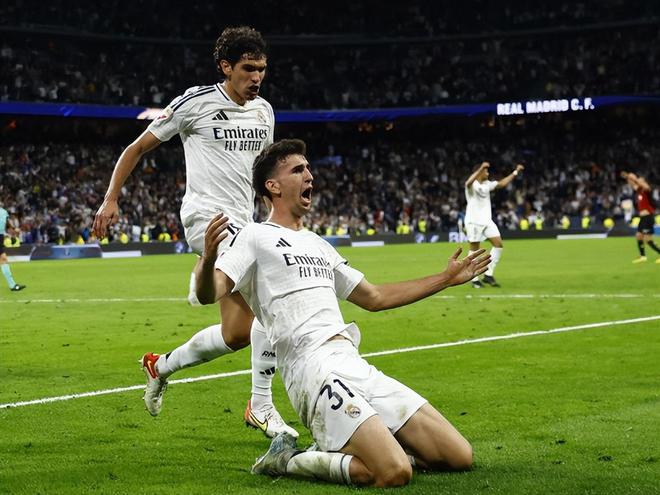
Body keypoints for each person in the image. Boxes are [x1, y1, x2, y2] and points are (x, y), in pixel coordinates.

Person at [195, 139, 491, 487]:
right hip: (311, 369)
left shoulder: (318, 244)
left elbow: (374, 297)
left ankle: (364, 447)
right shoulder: (253, 236)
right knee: (394, 472)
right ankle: (287, 460)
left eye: (308, 168)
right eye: (298, 170)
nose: (309, 175)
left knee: (458, 455)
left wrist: (445, 279)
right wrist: (208, 260)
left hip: (352, 362)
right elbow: (209, 293)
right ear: (272, 186)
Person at [92, 26, 297, 438]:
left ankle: (160, 366)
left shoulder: (264, 111)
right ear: (226, 67)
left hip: (245, 222)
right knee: (274, 288)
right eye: (248, 68)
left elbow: (262, 174)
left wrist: (275, 216)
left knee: (238, 333)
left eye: (262, 69)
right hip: (206, 218)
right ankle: (260, 406)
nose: (257, 77)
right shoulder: (195, 102)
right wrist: (111, 198)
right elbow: (136, 148)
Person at [464, 161, 524, 288]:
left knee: (498, 245)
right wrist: (481, 167)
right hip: (474, 222)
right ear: (479, 172)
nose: (488, 173)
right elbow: (467, 183)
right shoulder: (472, 185)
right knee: (475, 250)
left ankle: (488, 274)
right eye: (486, 171)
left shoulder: (487, 184)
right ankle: (474, 279)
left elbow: (502, 183)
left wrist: (515, 172)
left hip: (487, 221)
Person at [621, 171, 659, 263]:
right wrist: (628, 177)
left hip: (648, 217)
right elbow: (633, 184)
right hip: (643, 218)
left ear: (644, 182)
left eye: (640, 181)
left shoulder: (647, 191)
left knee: (648, 239)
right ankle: (643, 257)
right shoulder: (639, 191)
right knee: (638, 236)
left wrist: (635, 179)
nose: (638, 182)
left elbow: (645, 186)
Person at [0, 202, 26, 292]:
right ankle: (13, 285)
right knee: (3, 259)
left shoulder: (3, 212)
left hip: (0, 238)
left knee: (3, 259)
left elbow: (7, 225)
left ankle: (13, 285)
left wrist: (14, 230)